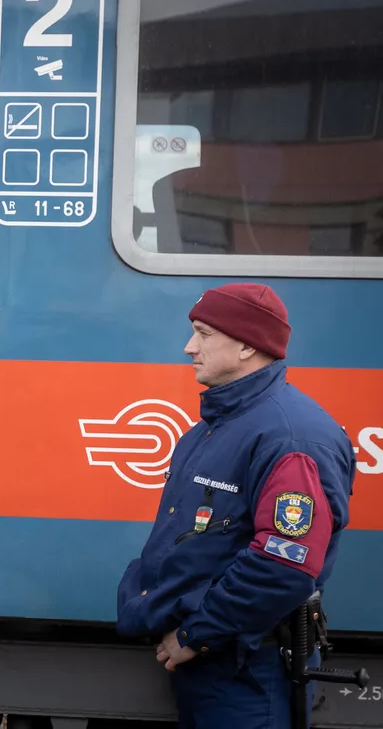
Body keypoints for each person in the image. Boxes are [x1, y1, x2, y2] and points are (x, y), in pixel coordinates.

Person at [115, 283, 355, 728]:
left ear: (247, 345)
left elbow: (284, 565)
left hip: (246, 670)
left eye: (204, 333)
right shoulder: (218, 427)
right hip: (218, 661)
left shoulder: (289, 436)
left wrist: (195, 634)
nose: (189, 347)